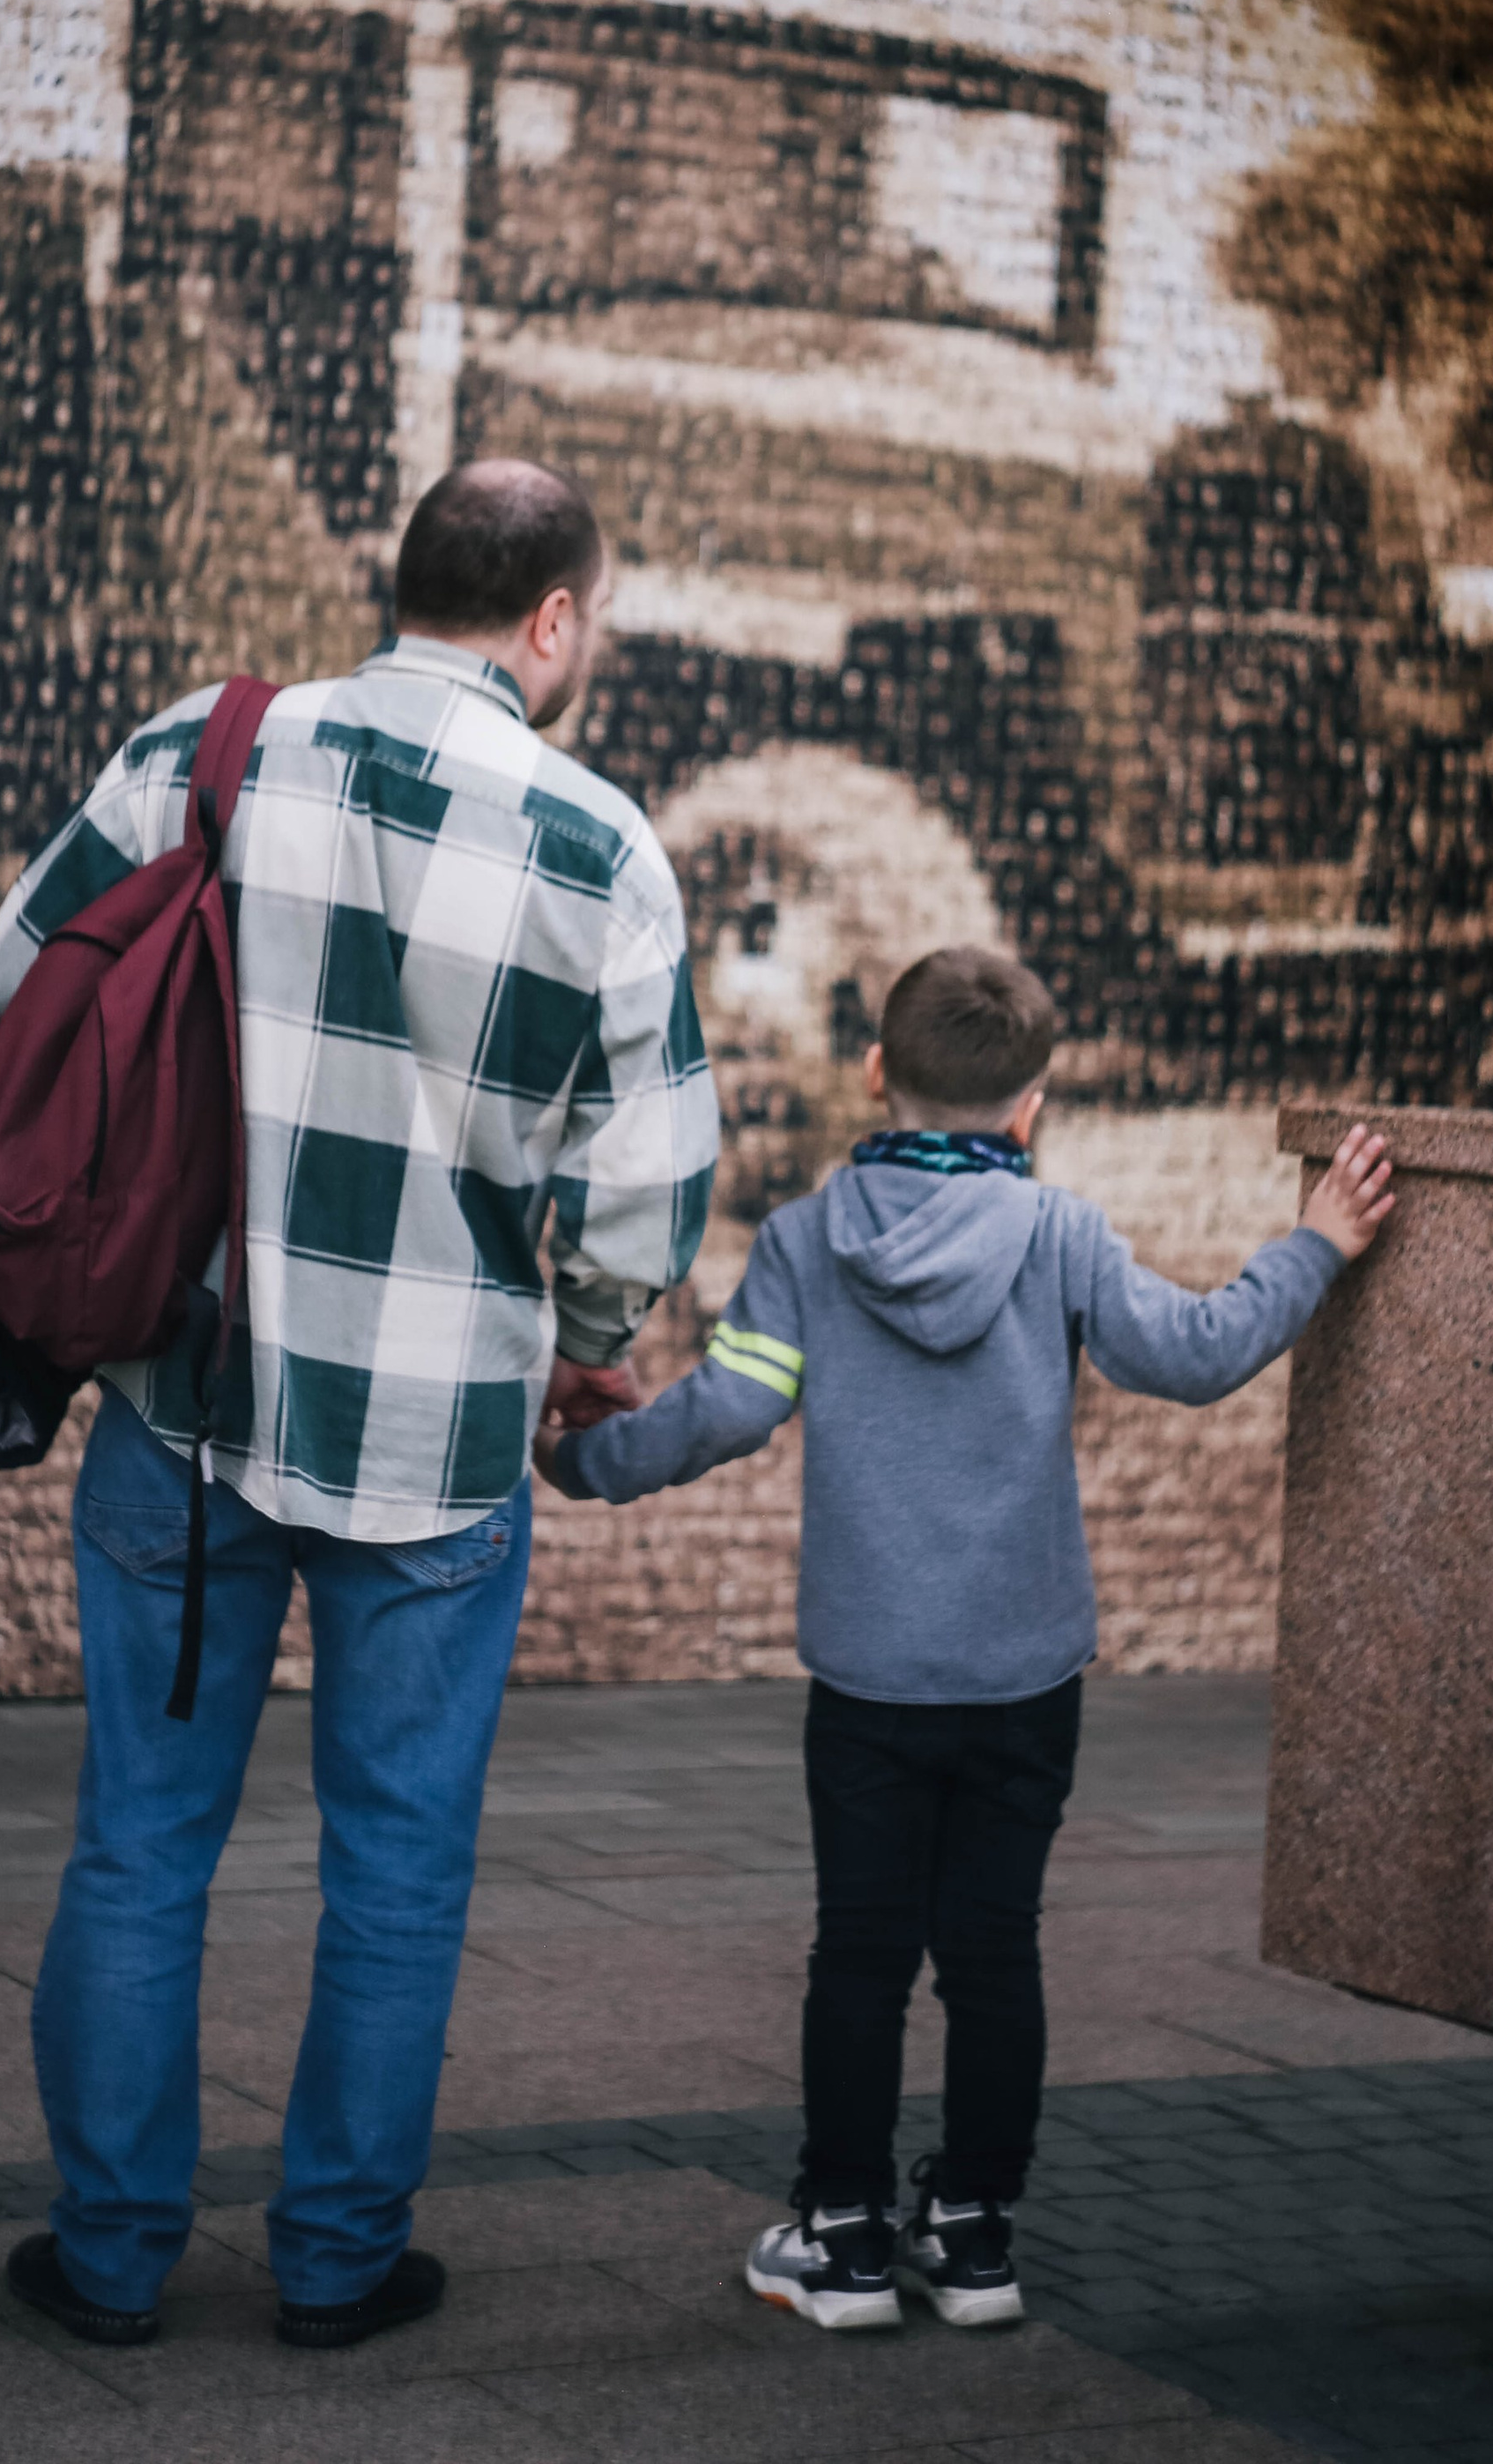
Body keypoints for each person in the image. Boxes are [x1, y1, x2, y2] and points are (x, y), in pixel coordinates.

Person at [0, 458, 717, 2352]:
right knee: (397, 1867)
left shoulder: (197, 753)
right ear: (550, 618)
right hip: (440, 1445)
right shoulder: (599, 848)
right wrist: (589, 1331)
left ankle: (108, 2258)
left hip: (186, 1409)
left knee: (140, 1846)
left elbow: (11, 1003)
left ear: (407, 583)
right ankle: (333, 2263)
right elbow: (644, 1189)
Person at [539, 942, 1392, 2334]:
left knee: (860, 1956)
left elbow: (726, 1413)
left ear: (877, 1070)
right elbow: (1195, 1353)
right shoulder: (1060, 1238)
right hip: (1023, 1678)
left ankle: (845, 2237)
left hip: (871, 1680)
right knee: (996, 1953)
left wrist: (579, 1462)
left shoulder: (810, 1244)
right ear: (1032, 1104)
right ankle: (978, 2237)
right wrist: (1320, 1245)